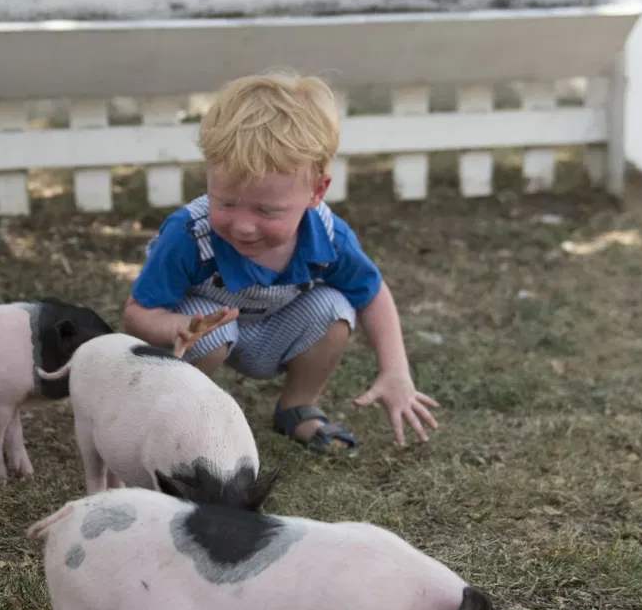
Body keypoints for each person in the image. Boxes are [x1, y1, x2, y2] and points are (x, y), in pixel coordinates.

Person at [121, 69, 439, 452]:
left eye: (267, 211)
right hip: (202, 335)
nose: (243, 226)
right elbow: (138, 313)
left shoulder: (328, 237)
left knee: (335, 308)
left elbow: (371, 294)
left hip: (272, 331)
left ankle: (297, 407)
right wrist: (179, 325)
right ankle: (180, 419)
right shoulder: (189, 236)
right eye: (227, 202)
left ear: (316, 191)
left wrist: (395, 372)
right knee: (215, 332)